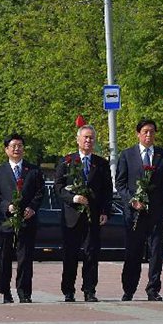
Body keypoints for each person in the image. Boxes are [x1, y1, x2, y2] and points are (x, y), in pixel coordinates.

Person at [116, 119, 163, 301]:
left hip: (156, 213)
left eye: (152, 131)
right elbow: (120, 184)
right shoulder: (127, 155)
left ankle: (153, 289)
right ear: (138, 134)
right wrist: (132, 200)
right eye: (145, 131)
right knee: (133, 252)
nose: (149, 135)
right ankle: (129, 289)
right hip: (134, 214)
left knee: (156, 252)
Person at [54, 125, 112, 302]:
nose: (88, 140)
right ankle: (68, 290)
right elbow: (58, 187)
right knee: (70, 254)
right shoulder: (66, 161)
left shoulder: (101, 163)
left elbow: (107, 190)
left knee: (91, 254)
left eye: (91, 138)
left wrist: (105, 211)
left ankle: (89, 290)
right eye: (85, 137)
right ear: (78, 139)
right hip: (71, 216)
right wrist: (73, 198)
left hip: (93, 216)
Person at [0, 133, 44, 303]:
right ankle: (5, 292)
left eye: (20, 146)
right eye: (13, 146)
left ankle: (24, 293)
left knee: (25, 259)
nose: (17, 149)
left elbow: (40, 192)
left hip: (27, 221)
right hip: (7, 222)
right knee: (5, 258)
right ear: (6, 149)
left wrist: (32, 207)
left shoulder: (33, 170)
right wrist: (7, 206)